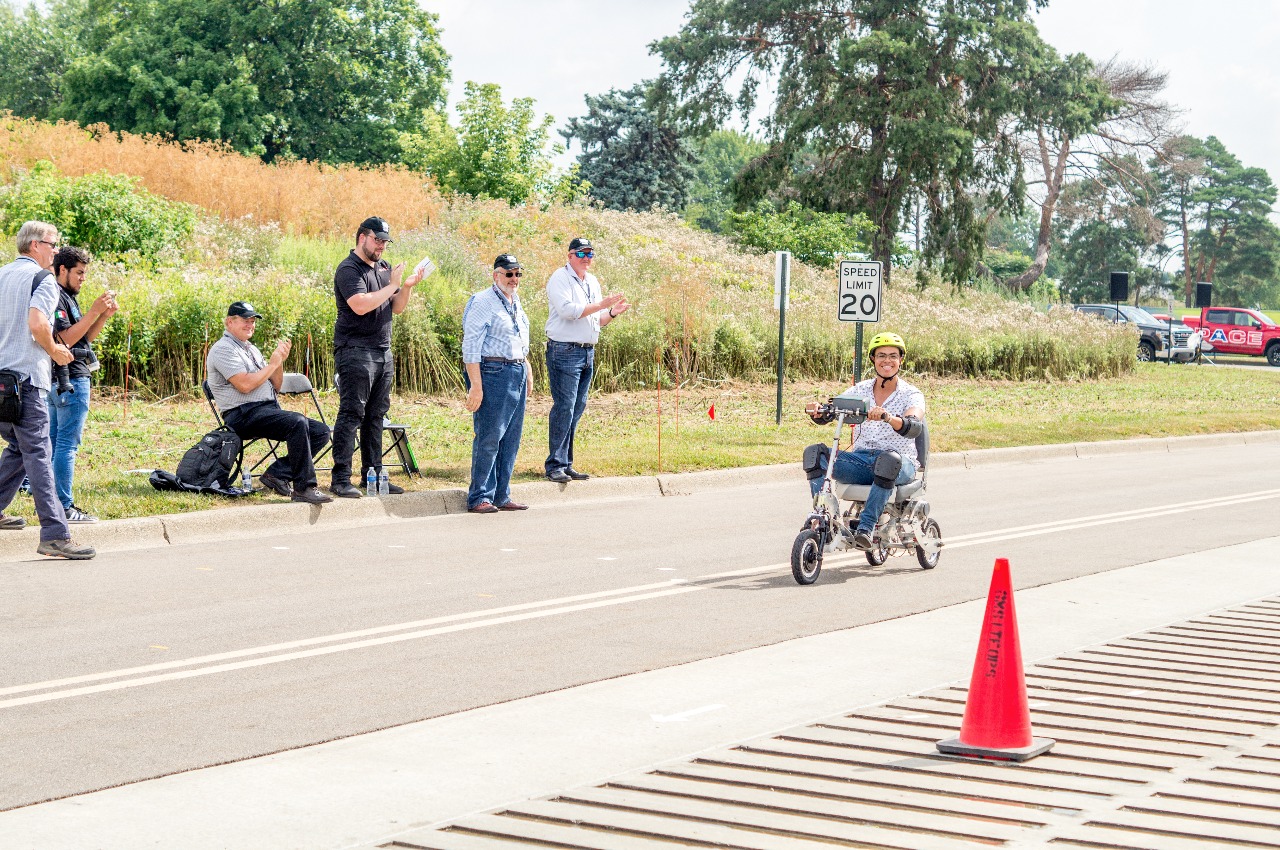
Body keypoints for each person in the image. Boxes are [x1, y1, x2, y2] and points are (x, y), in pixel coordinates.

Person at [0, 222, 95, 558]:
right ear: (36, 245)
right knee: (39, 453)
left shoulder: (2, 275)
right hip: (25, 382)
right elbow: (39, 324)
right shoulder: (43, 280)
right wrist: (55, 351)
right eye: (54, 245)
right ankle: (55, 535)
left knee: (18, 447)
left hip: (1, 379)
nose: (56, 251)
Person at [330, 216, 423, 498]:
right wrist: (390, 285)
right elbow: (359, 306)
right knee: (352, 413)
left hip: (383, 350)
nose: (381, 246)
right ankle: (340, 479)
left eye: (385, 241)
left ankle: (373, 476)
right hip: (355, 350)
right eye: (377, 240)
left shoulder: (383, 268)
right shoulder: (349, 269)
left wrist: (404, 286)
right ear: (362, 238)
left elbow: (396, 308)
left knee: (376, 415)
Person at [805, 332, 926, 550]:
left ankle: (866, 528)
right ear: (872, 359)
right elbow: (834, 409)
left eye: (893, 356)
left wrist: (888, 417)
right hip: (862, 461)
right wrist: (819, 411)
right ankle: (823, 518)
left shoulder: (911, 394)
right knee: (815, 454)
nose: (887, 361)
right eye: (881, 355)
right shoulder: (860, 390)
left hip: (899, 464)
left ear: (901, 360)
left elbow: (913, 425)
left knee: (887, 460)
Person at [205, 301, 333, 504]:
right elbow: (245, 385)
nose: (250, 325)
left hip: (265, 410)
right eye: (245, 320)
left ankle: (277, 473)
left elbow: (277, 385)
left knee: (321, 431)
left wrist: (279, 362)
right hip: (241, 414)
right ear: (229, 322)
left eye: (253, 321)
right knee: (297, 422)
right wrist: (272, 363)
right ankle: (304, 489)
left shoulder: (251, 349)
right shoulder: (223, 349)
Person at [543, 237, 629, 483]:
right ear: (570, 256)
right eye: (581, 254)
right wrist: (601, 305)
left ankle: (566, 463)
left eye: (590, 254)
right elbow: (569, 312)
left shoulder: (592, 281)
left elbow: (598, 319)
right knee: (565, 406)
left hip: (586, 351)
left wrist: (611, 312)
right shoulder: (560, 278)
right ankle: (554, 465)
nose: (587, 258)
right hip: (564, 350)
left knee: (577, 408)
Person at [47, 246, 117, 523]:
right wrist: (93, 310)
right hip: (70, 379)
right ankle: (64, 506)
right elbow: (63, 339)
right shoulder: (56, 297)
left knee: (54, 442)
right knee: (66, 445)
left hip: (64, 378)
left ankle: (52, 503)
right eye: (79, 272)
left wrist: (103, 316)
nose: (82, 278)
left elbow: (82, 339)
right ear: (62, 269)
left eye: (85, 273)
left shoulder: (68, 297)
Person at [461, 254, 532, 514]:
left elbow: (519, 339)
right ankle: (479, 495)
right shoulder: (483, 301)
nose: (514, 279)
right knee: (490, 435)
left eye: (517, 274)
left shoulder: (515, 300)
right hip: (493, 370)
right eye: (508, 274)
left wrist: (528, 369)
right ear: (496, 275)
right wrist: (476, 386)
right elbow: (471, 347)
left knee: (511, 437)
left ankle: (502, 494)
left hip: (517, 369)